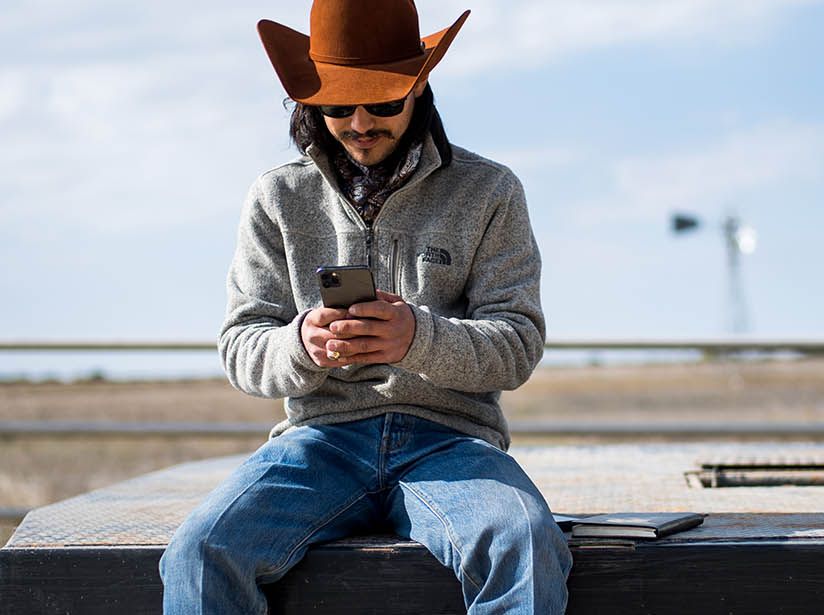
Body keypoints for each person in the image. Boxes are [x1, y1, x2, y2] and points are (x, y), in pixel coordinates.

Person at [158, 1, 573, 613]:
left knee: (526, 541)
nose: (358, 121)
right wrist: (301, 344)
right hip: (317, 442)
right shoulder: (277, 197)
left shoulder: (491, 190)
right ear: (309, 104)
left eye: (380, 101)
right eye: (336, 105)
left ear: (418, 88)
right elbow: (241, 345)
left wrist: (418, 339)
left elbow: (517, 345)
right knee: (199, 551)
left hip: (452, 442)